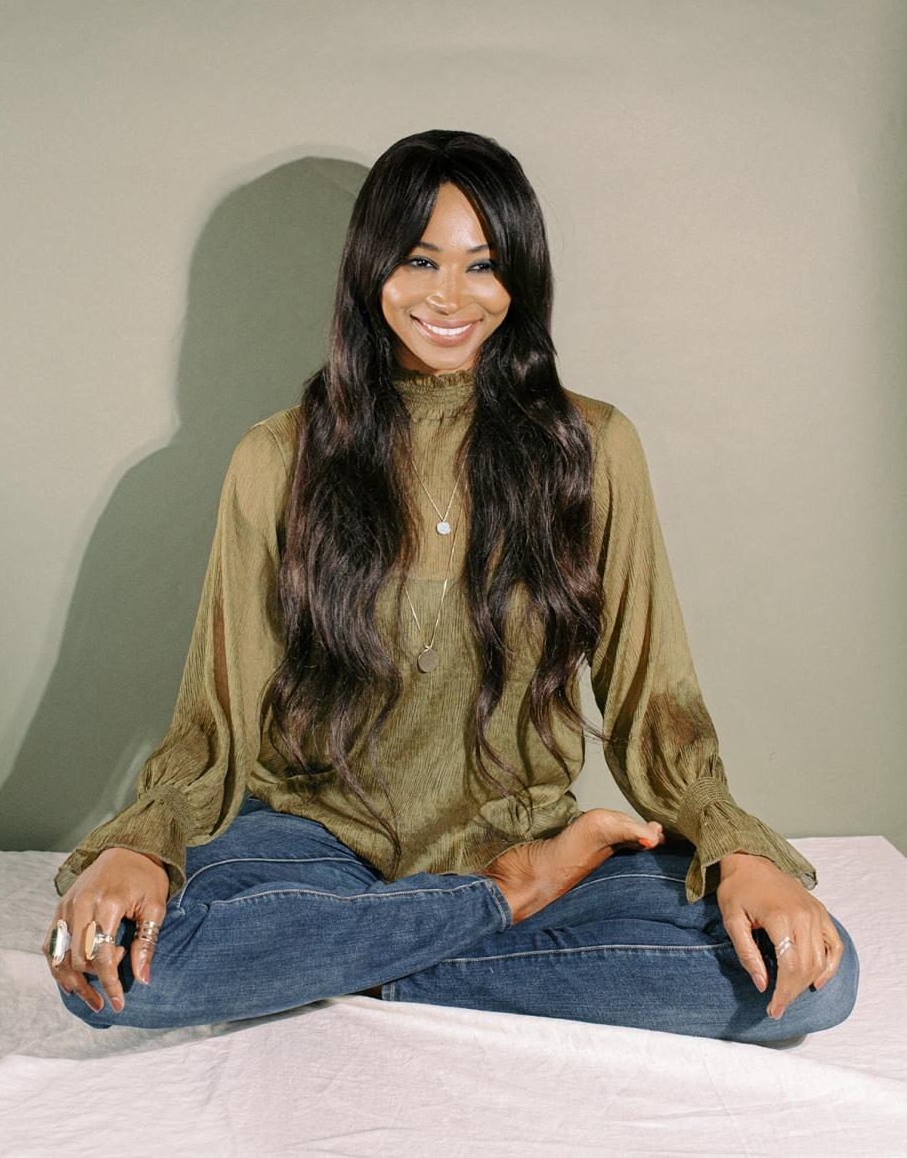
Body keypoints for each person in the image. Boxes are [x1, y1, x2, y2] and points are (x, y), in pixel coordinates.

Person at [45, 129, 858, 1042]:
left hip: (522, 832)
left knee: (818, 978)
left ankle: (335, 966)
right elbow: (216, 715)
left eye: (483, 265)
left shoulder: (591, 450)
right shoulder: (277, 456)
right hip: (317, 842)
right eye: (419, 260)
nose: (448, 295)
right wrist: (138, 839)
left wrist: (734, 845)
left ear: (520, 282)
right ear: (370, 271)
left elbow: (653, 702)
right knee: (112, 968)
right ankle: (490, 912)